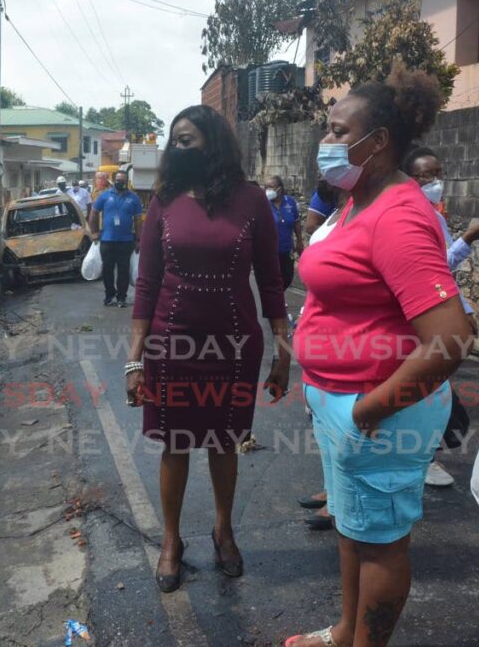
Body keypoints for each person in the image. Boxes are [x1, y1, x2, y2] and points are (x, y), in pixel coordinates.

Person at [285, 63, 471, 647]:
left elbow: (452, 338)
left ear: (379, 142)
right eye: (329, 130)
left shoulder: (397, 213)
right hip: (342, 401)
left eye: (340, 132)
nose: (328, 142)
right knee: (352, 527)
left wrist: (369, 410)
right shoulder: (355, 201)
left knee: (381, 542)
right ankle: (346, 633)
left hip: (379, 412)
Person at [126, 105, 291, 593]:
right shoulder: (163, 201)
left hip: (235, 346)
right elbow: (147, 283)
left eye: (188, 139)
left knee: (224, 440)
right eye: (174, 140)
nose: (178, 148)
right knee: (175, 444)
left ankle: (223, 529)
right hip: (171, 344)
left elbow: (272, 280)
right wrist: (135, 359)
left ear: (214, 143)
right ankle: (171, 541)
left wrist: (284, 349)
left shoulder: (251, 201)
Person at [403, 146, 479, 487]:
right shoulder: (407, 217)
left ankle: (422, 455)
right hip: (421, 316)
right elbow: (431, 269)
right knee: (426, 390)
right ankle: (421, 457)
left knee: (432, 391)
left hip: (439, 312)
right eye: (426, 175)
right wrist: (469, 239)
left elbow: (442, 273)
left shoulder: (435, 216)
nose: (435, 182)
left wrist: (467, 311)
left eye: (439, 174)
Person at [296, 180, 348, 532]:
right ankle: (332, 492)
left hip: (346, 341)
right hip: (319, 342)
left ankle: (342, 504)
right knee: (324, 429)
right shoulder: (336, 216)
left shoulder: (378, 216)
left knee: (344, 434)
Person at [88, 170, 142, 307]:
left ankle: (121, 297)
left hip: (126, 241)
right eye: (118, 180)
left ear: (127, 182)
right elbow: (94, 213)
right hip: (107, 240)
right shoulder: (104, 196)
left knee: (123, 270)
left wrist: (139, 239)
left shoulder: (134, 198)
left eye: (123, 181)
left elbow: (138, 220)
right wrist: (94, 232)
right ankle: (109, 295)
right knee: (107, 270)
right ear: (113, 181)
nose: (121, 183)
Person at [266, 175, 304, 291]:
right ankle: (276, 301)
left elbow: (296, 222)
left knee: (287, 277)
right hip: (270, 250)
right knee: (271, 278)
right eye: (266, 187)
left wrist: (299, 240)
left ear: (280, 188)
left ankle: (278, 296)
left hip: (287, 249)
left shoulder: (290, 202)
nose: (268, 190)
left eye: (271, 187)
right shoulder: (264, 204)